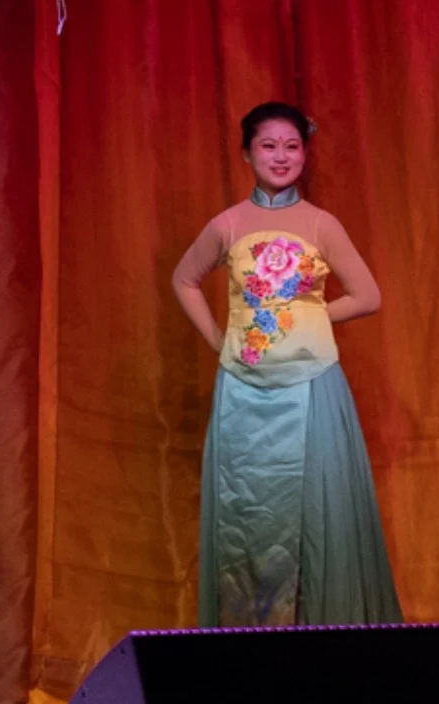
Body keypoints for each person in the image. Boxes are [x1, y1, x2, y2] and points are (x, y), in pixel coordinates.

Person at [171, 101, 398, 627]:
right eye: (268, 146)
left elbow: (368, 296)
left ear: (305, 153)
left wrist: (302, 315)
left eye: (292, 146)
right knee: (244, 516)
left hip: (312, 386)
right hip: (242, 390)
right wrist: (219, 339)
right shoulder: (228, 224)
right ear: (247, 153)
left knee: (320, 518)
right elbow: (184, 279)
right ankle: (250, 652)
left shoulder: (321, 223)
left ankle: (322, 646)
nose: (281, 156)